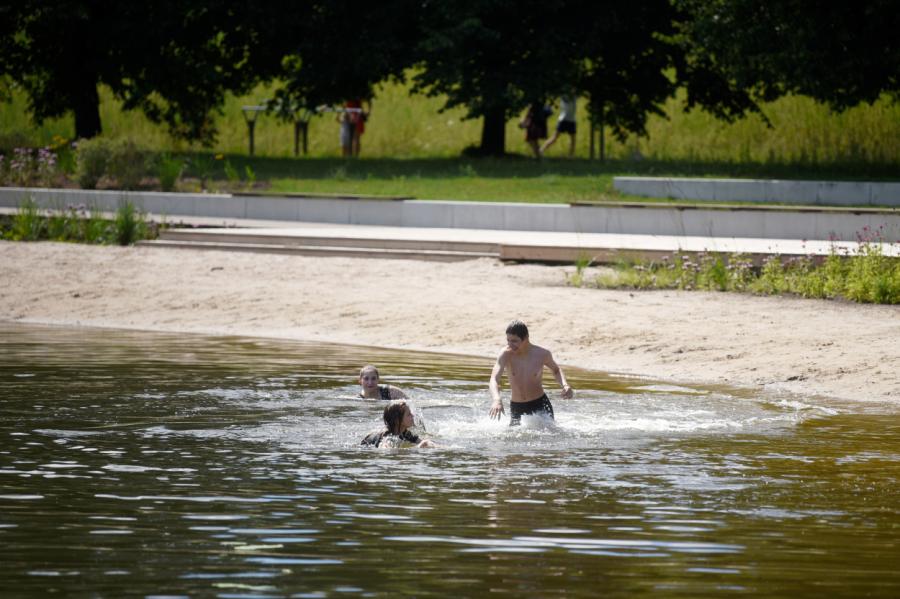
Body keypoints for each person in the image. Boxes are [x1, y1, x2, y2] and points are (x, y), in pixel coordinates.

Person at [488, 320, 574, 426]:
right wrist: (497, 399)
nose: (510, 344)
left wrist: (565, 385)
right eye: (508, 340)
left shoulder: (542, 354)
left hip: (540, 404)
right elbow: (494, 379)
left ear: (526, 338)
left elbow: (556, 370)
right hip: (517, 405)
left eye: (514, 341)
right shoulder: (505, 354)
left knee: (550, 437)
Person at [361, 400, 436, 448]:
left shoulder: (406, 433)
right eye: (409, 414)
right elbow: (388, 452)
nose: (413, 416)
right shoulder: (387, 437)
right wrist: (419, 447)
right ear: (397, 420)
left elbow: (424, 442)